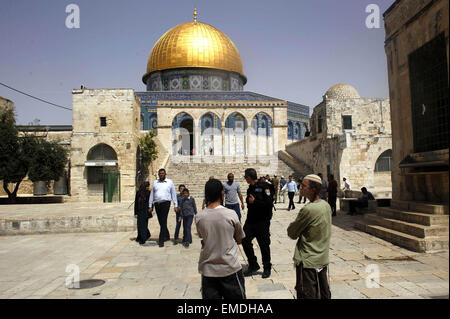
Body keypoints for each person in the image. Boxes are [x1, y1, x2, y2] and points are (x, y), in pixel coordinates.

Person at [195, 179, 246, 299]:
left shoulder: (199, 217)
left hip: (208, 270)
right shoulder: (231, 214)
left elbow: (203, 237)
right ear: (222, 193)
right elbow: (239, 240)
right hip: (230, 268)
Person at [287, 174, 332, 299]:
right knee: (323, 292)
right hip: (321, 259)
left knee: (307, 294)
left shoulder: (309, 209)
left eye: (303, 186)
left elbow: (292, 232)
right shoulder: (326, 206)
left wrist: (300, 230)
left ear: (313, 189)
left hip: (307, 261)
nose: (300, 187)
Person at [242, 168, 273, 279]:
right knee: (244, 240)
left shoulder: (265, 187)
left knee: (263, 244)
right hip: (251, 220)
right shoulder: (250, 188)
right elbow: (248, 201)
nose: (245, 179)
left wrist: (255, 202)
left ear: (250, 177)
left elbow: (269, 204)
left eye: (245, 177)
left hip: (262, 221)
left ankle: (267, 267)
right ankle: (253, 264)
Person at [148, 168, 179, 247]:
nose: (161, 174)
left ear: (165, 174)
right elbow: (152, 194)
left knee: (163, 219)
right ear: (158, 174)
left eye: (163, 173)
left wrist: (175, 205)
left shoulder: (169, 182)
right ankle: (167, 235)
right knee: (161, 221)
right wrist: (150, 205)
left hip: (166, 203)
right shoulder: (155, 182)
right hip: (157, 203)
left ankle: (161, 240)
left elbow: (173, 194)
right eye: (160, 173)